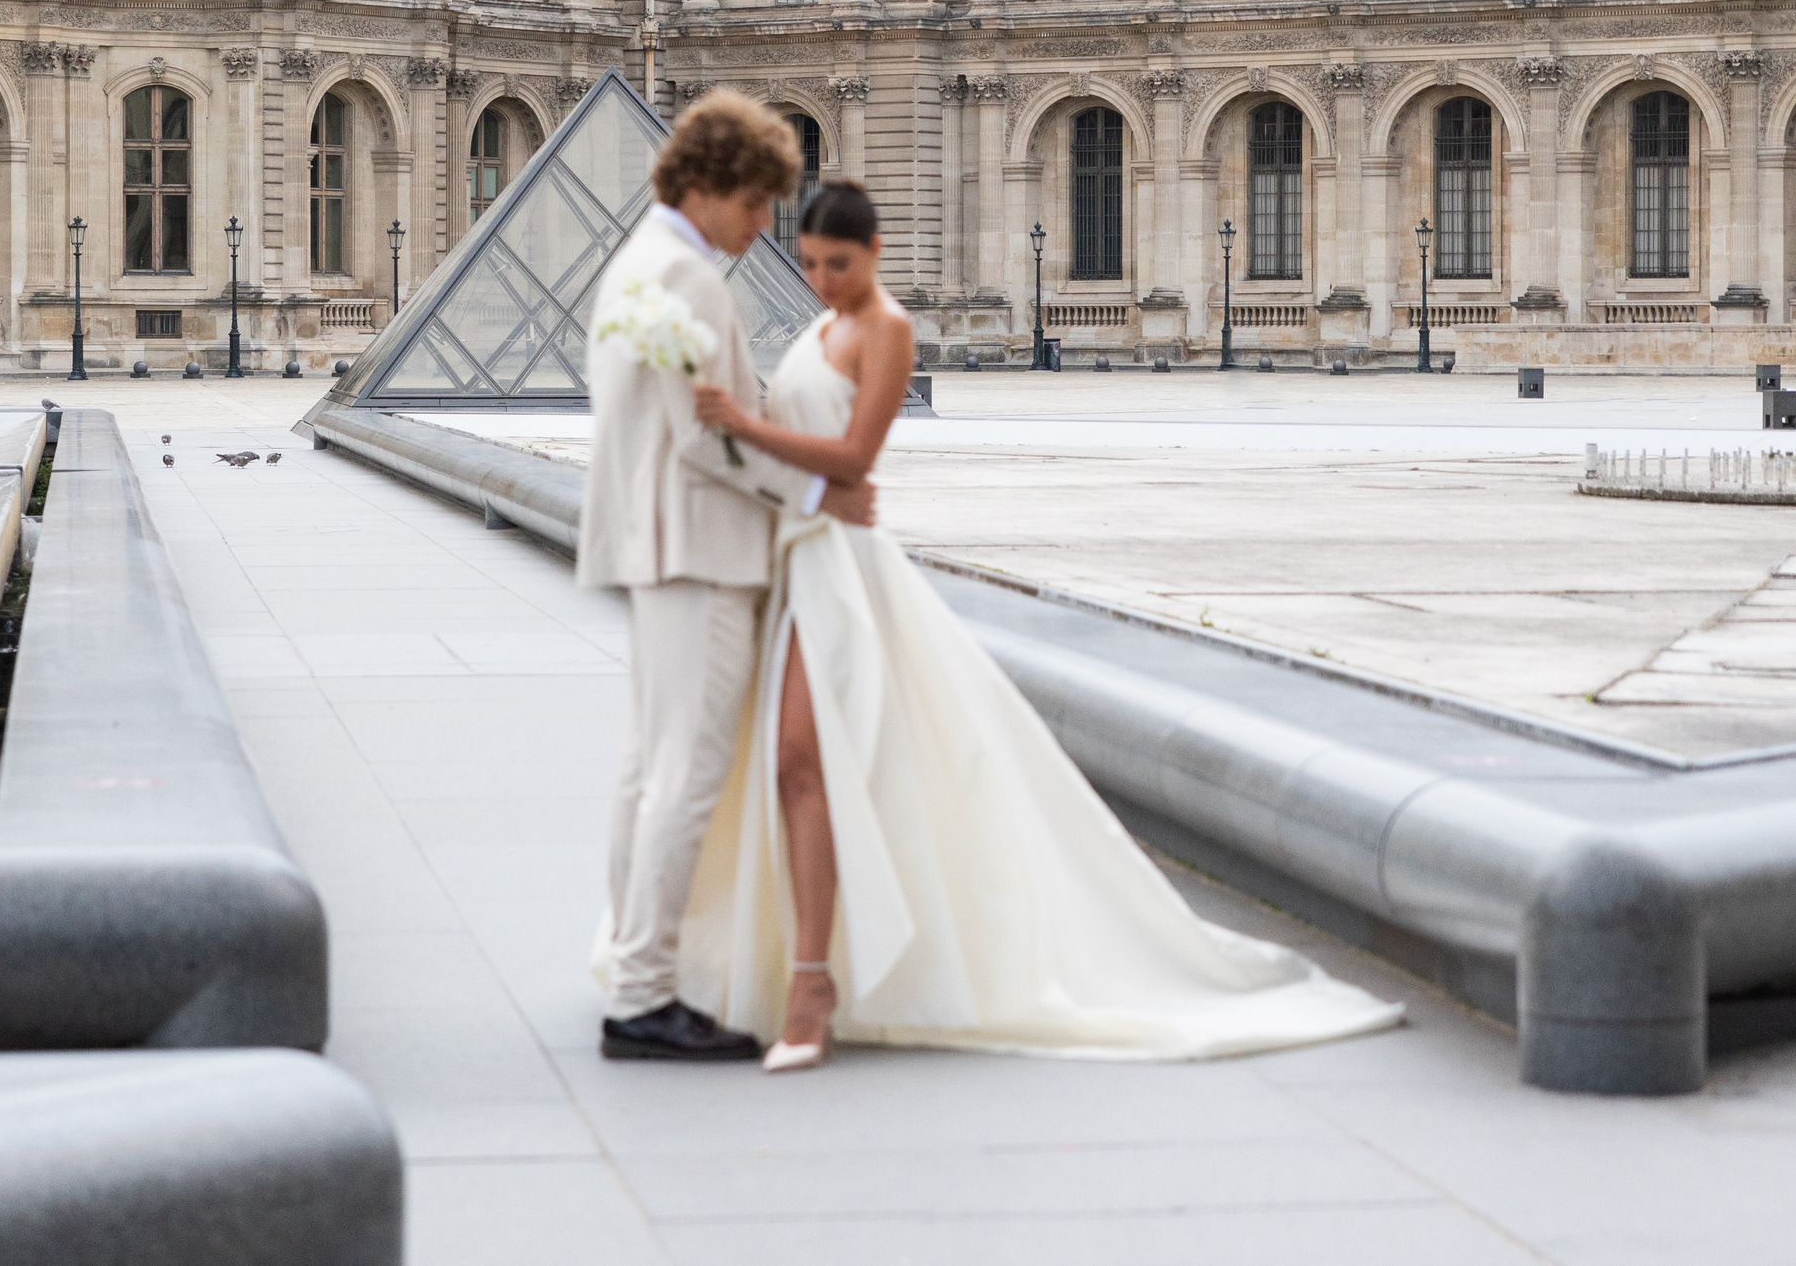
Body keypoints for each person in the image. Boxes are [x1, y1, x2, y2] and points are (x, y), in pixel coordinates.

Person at [690, 184, 1402, 1071]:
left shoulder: (890, 330)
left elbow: (856, 462)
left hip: (846, 572)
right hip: (801, 557)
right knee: (804, 765)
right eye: (808, 264)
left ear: (872, 252)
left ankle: (814, 980)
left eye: (837, 263)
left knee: (815, 761)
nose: (821, 279)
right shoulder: (817, 329)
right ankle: (816, 965)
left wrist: (743, 427)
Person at [580, 90, 878, 1063]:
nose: (761, 230)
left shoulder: (637, 261)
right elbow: (707, 440)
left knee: (642, 767)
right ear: (712, 186)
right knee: (684, 773)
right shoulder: (689, 276)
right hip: (698, 547)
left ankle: (628, 967)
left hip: (647, 538)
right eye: (755, 206)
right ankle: (643, 995)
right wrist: (814, 494)